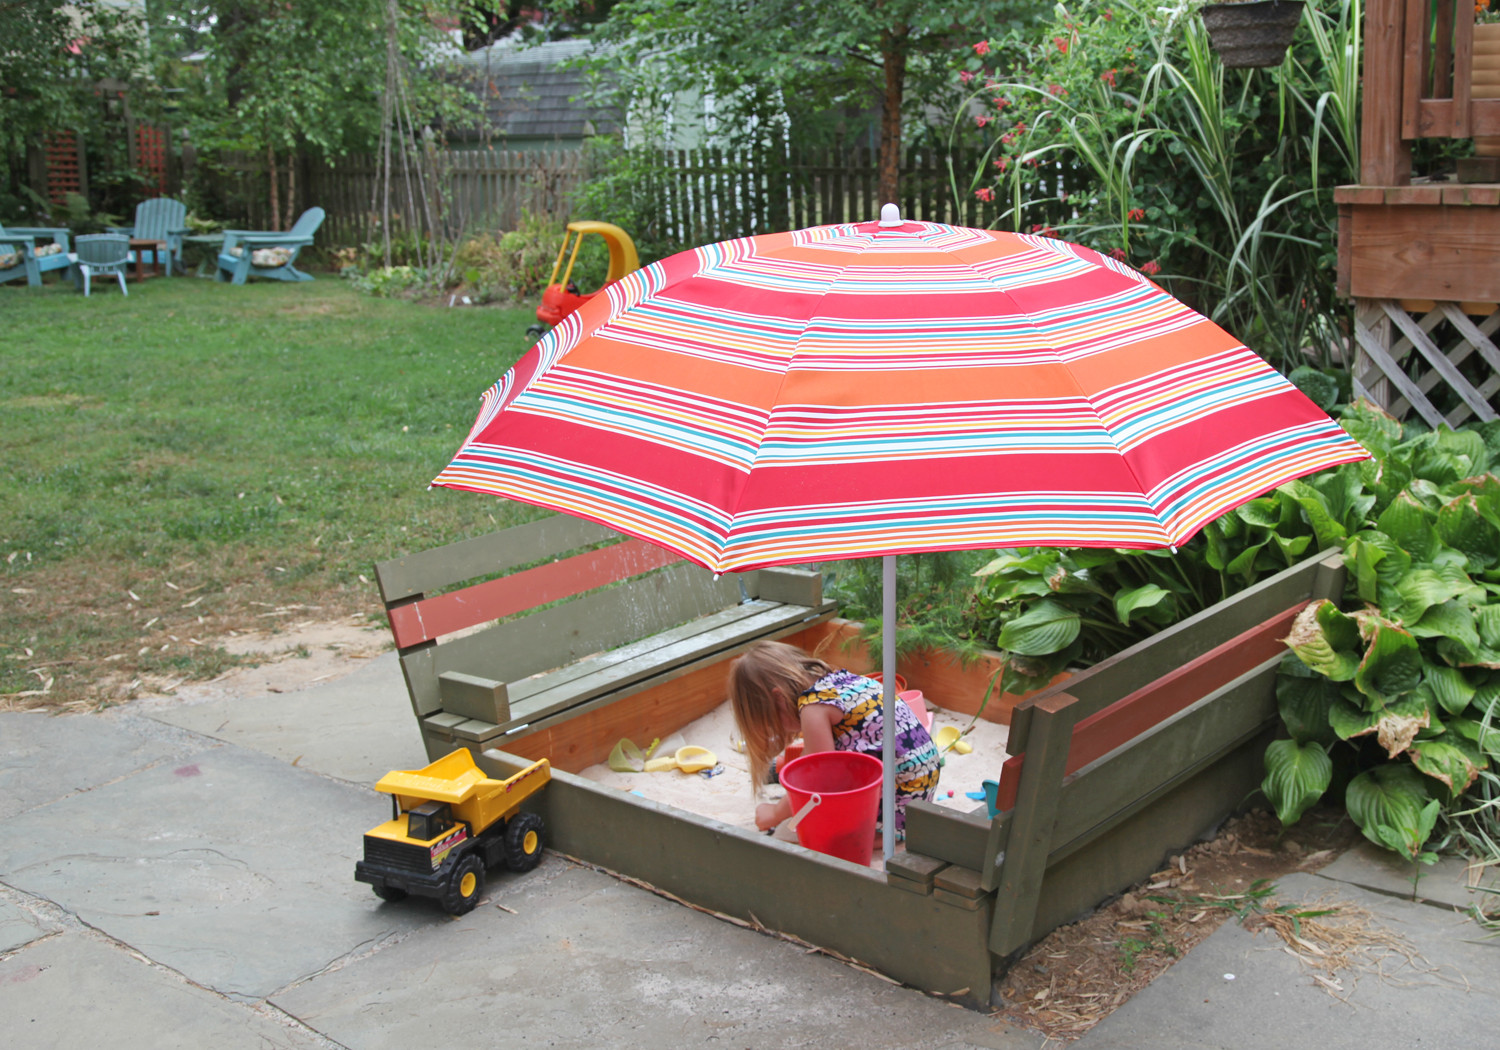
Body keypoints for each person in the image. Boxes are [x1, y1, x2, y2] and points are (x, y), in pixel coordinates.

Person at [727, 640, 940, 838]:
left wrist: (774, 813)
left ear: (778, 698)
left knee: (804, 829)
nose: (780, 730)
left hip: (897, 802)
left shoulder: (813, 708)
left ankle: (878, 836)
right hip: (921, 783)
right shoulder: (841, 682)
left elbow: (816, 782)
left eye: (773, 722)